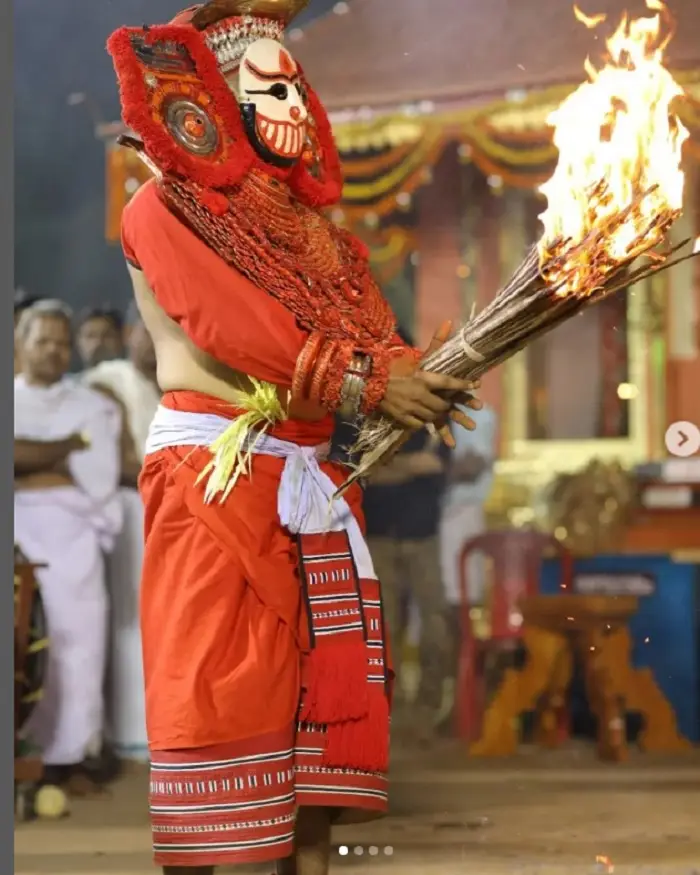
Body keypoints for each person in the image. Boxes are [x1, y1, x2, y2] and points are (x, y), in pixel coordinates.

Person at [108, 3, 480, 873]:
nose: (284, 99)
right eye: (257, 82)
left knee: (315, 723)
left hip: (313, 481)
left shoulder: (323, 239)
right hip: (216, 475)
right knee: (220, 694)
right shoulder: (163, 207)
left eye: (290, 83)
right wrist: (376, 384)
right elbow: (238, 329)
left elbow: (369, 328)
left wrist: (416, 376)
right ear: (207, 102)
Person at [14, 300, 123, 797]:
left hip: (73, 539)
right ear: (20, 344)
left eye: (62, 343)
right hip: (17, 534)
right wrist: (62, 450)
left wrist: (29, 463)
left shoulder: (91, 406)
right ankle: (24, 754)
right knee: (23, 652)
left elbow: (99, 478)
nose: (55, 352)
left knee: (79, 648)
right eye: (44, 342)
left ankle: (74, 755)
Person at [83, 301, 160, 759]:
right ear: (131, 333)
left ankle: (160, 728)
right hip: (130, 509)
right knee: (130, 622)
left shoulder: (175, 382)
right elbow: (117, 460)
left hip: (169, 508)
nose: (154, 340)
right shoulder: (109, 380)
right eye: (147, 330)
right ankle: (129, 733)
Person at [359, 383, 453, 744]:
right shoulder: (366, 412)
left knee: (436, 624)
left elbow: (435, 466)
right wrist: (406, 466)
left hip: (421, 535)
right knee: (382, 631)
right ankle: (386, 717)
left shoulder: (436, 414)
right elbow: (362, 471)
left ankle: (426, 714)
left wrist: (389, 465)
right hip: (380, 536)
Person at [439, 403, 497, 652]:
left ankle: (467, 670)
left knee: (462, 601)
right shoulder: (431, 416)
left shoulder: (479, 418)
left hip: (463, 516)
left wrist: (428, 470)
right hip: (434, 518)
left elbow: (473, 465)